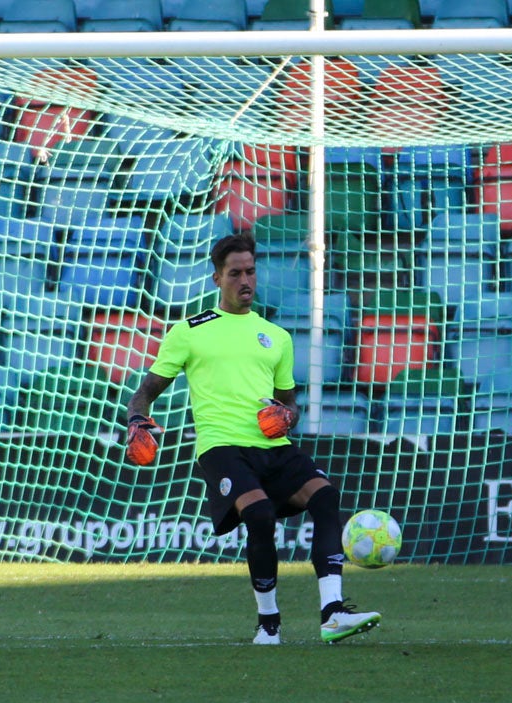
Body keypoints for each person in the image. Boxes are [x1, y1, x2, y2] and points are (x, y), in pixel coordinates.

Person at [125, 231, 382, 645]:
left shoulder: (276, 337)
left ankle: (333, 613)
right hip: (222, 448)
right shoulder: (190, 330)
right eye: (235, 273)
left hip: (272, 448)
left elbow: (290, 406)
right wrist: (137, 420)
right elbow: (146, 391)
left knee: (325, 496)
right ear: (216, 279)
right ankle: (268, 624)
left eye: (250, 272)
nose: (245, 281)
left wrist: (286, 416)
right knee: (259, 515)